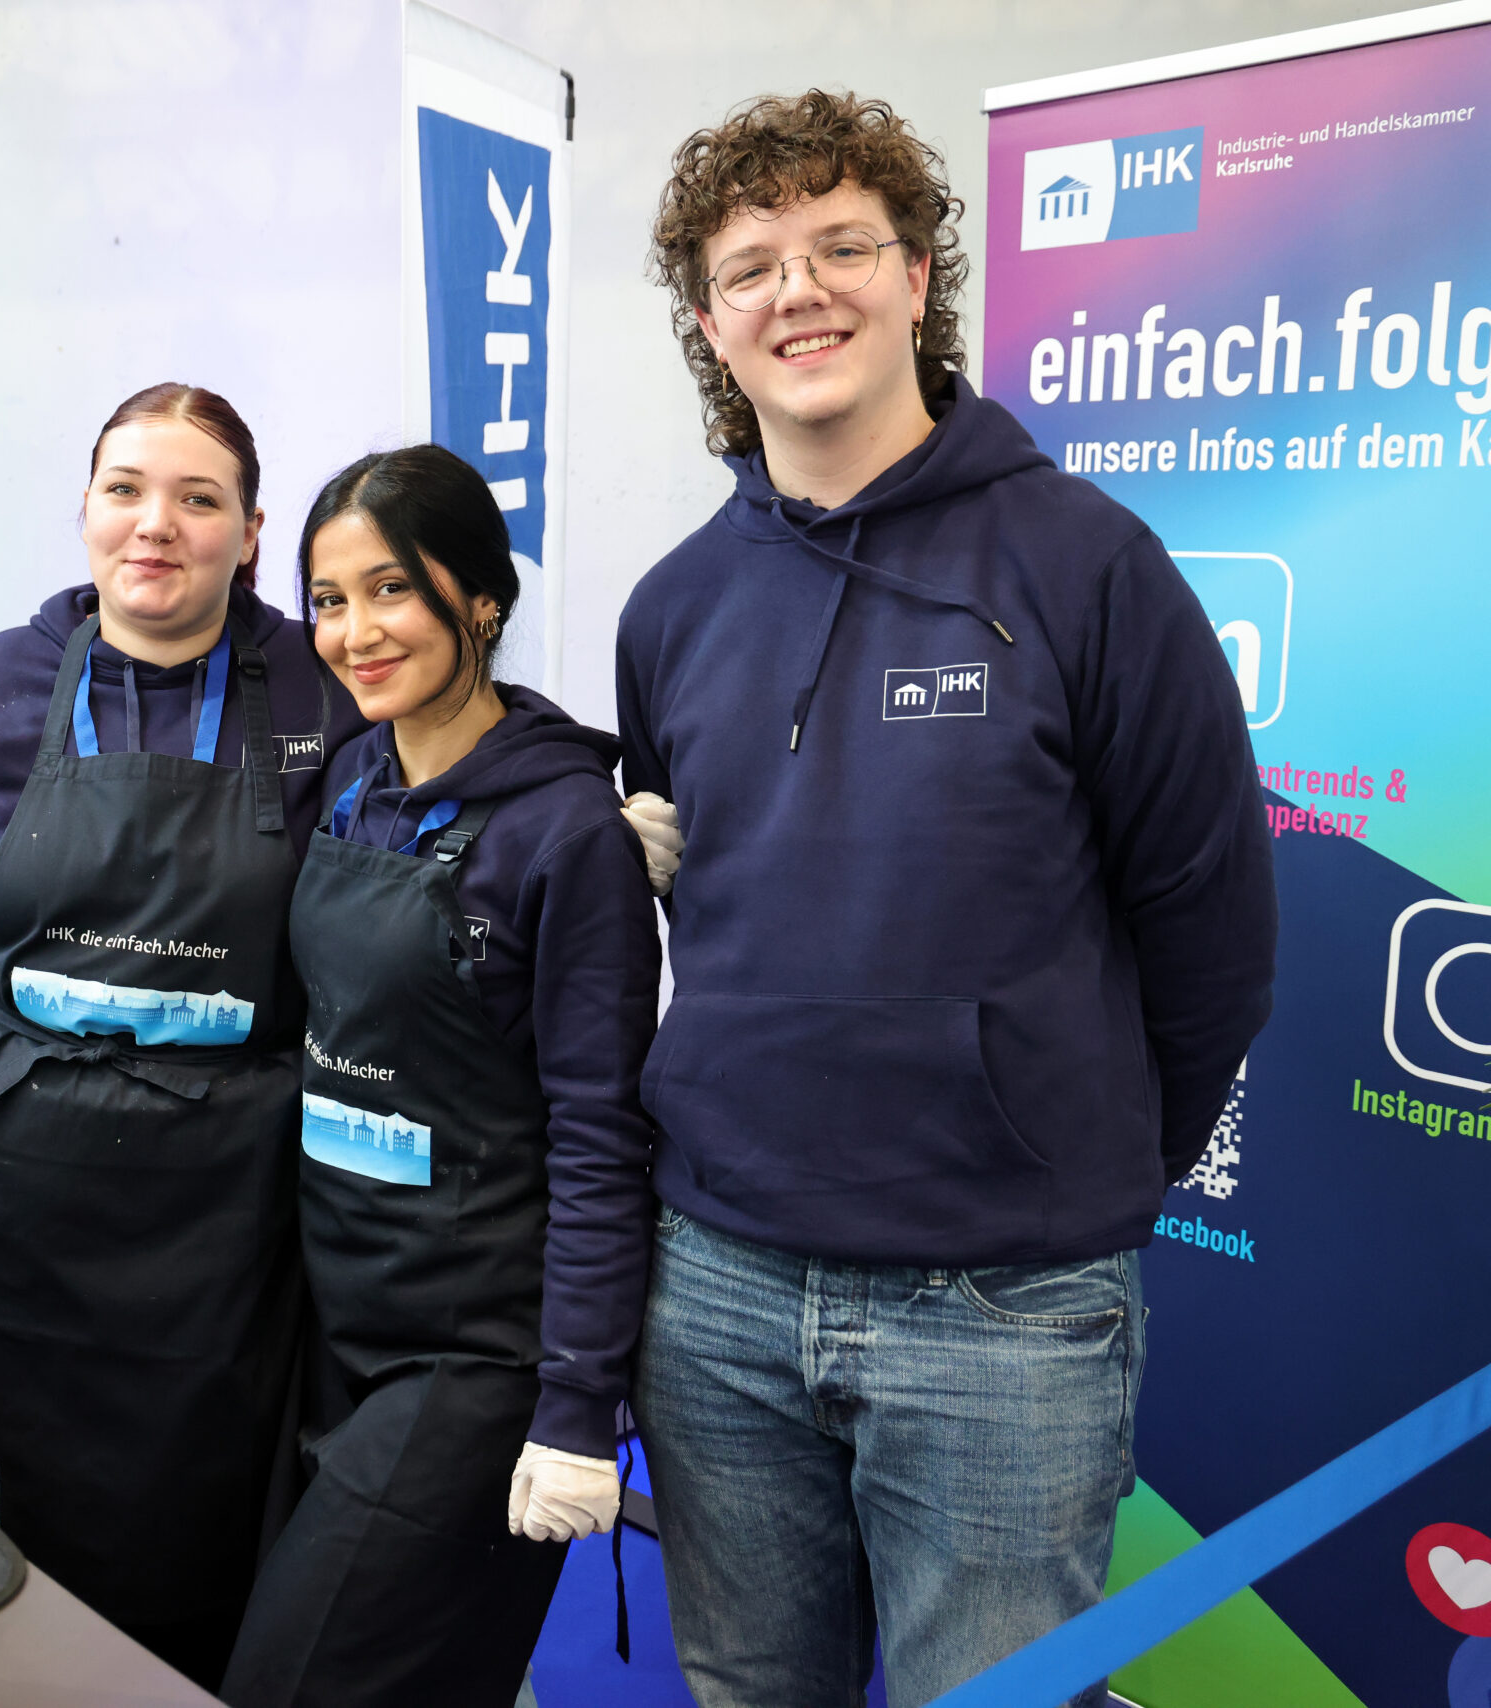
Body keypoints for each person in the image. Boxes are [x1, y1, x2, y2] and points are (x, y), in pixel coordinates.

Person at [615, 92, 1279, 1706]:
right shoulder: (673, 608)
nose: (799, 289)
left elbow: (1213, 938)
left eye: (841, 246)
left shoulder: (1091, 567)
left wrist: (1064, 1168)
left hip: (1004, 1312)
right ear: (710, 322)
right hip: (716, 1289)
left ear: (918, 276)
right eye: (752, 266)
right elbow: (706, 916)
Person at [0, 382, 367, 1686]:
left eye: (198, 499)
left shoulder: (324, 690)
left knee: (202, 1553)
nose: (155, 525)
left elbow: (462, 764)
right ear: (84, 509)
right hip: (1, 1213)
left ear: (252, 532)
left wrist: (578, 806)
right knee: (14, 1555)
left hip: (225, 1231)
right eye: (126, 489)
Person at [219, 445, 657, 1708]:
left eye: (390, 589)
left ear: (480, 599)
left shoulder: (565, 834)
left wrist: (576, 1405)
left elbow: (599, 1137)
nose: (354, 632)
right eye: (327, 599)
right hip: (341, 1324)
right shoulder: (352, 785)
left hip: (477, 1358)